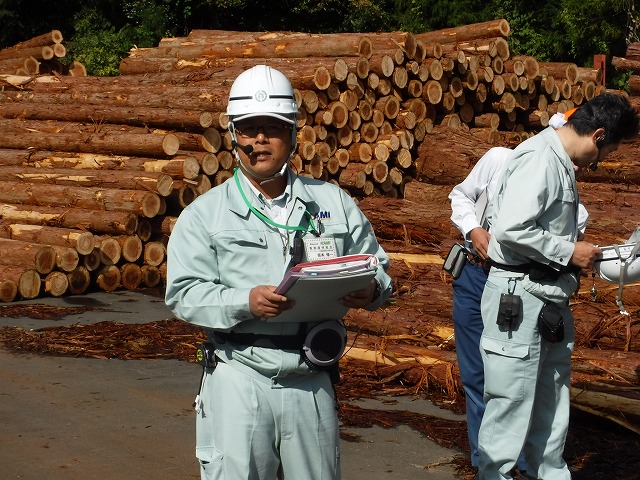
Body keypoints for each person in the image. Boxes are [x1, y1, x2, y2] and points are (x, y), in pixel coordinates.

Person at [164, 64, 393, 480]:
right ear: (234, 135)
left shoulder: (332, 203)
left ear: (292, 134)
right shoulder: (205, 215)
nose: (259, 140)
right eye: (249, 129)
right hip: (239, 375)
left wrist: (372, 290)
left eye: (272, 128)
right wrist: (243, 300)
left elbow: (376, 265)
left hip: (312, 377)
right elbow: (183, 294)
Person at [477, 93, 638, 480]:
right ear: (598, 135)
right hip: (518, 301)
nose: (602, 161)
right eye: (608, 151)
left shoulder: (559, 162)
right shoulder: (541, 159)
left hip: (546, 299)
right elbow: (511, 228)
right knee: (510, 408)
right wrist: (569, 252)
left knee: (551, 409)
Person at [448, 118, 588, 476]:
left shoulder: (566, 183)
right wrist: (474, 228)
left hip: (520, 287)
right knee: (480, 376)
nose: (574, 166)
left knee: (517, 379)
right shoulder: (499, 159)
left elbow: (570, 235)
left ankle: (523, 462)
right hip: (476, 276)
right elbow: (460, 194)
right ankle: (489, 462)